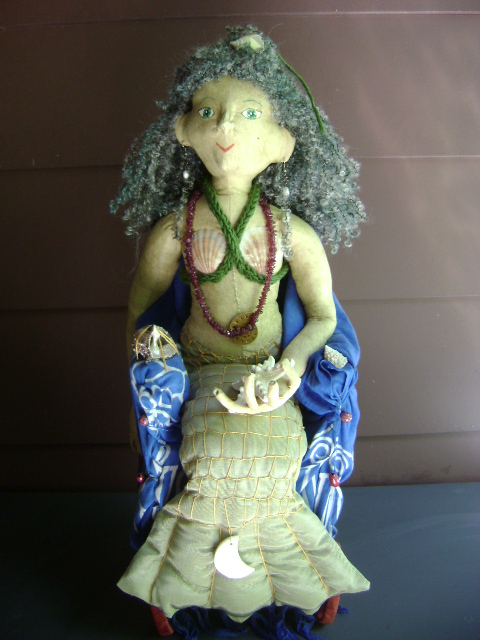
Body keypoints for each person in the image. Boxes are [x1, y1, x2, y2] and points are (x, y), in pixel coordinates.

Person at [111, 26, 369, 637]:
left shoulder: (292, 234)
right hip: (202, 375)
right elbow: (140, 307)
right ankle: (182, 581)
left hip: (270, 377)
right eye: (208, 112)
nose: (226, 127)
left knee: (275, 457)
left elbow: (324, 316)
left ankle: (294, 578)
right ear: (183, 130)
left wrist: (295, 364)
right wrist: (145, 374)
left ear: (281, 143)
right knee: (212, 455)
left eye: (250, 114)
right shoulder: (176, 229)